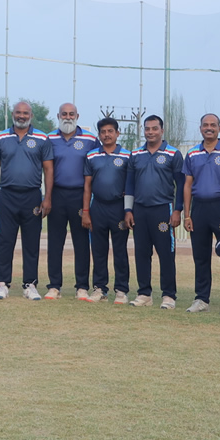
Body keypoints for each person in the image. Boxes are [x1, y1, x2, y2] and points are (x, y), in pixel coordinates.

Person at [0, 100, 53, 300]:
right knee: (5, 241)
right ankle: (2, 283)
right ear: (13, 114)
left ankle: (30, 284)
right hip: (7, 195)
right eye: (18, 112)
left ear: (31, 116)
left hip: (32, 196)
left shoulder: (42, 138)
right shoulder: (0, 138)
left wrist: (47, 198)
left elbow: (48, 169)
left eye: (25, 113)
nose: (21, 116)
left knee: (31, 242)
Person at [181, 114, 220, 314]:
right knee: (200, 255)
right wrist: (187, 214)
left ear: (219, 128)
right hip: (199, 208)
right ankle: (201, 298)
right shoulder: (192, 153)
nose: (209, 128)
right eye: (205, 125)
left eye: (213, 125)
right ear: (200, 128)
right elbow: (187, 185)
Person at [45, 103, 99, 299]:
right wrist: (47, 197)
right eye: (64, 114)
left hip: (80, 196)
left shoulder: (90, 139)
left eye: (71, 114)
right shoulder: (49, 138)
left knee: (81, 242)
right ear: (58, 116)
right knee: (55, 242)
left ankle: (82, 286)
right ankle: (54, 286)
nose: (67, 117)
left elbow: (98, 165)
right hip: (57, 194)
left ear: (77, 116)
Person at [131, 114, 183, 309]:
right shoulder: (136, 154)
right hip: (139, 210)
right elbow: (129, 185)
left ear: (162, 130)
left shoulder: (173, 154)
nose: (150, 132)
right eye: (147, 129)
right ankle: (144, 294)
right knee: (141, 253)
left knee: (166, 253)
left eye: (154, 128)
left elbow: (181, 184)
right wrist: (128, 210)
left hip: (163, 209)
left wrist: (177, 210)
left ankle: (169, 295)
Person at [82, 116, 132, 304]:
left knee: (120, 250)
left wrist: (128, 210)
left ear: (118, 133)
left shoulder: (127, 156)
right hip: (98, 207)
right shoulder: (91, 156)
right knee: (98, 250)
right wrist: (86, 211)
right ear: (99, 135)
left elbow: (131, 185)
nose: (107, 135)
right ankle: (99, 288)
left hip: (118, 208)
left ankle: (121, 290)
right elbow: (87, 186)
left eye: (110, 131)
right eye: (103, 132)